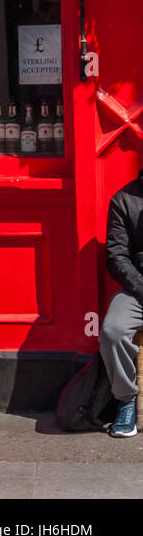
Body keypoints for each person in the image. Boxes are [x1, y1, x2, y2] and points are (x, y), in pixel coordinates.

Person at [102, 170, 143, 437]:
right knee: (112, 331)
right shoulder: (124, 199)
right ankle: (126, 400)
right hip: (138, 289)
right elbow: (116, 256)